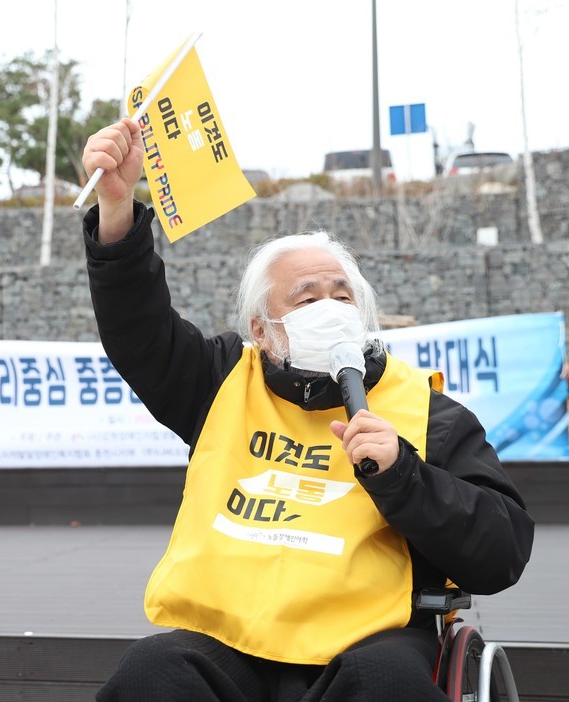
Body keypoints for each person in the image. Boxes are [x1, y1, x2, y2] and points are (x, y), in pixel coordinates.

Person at [81, 118, 534, 702]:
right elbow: (138, 330)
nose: (330, 307)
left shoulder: (427, 411)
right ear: (261, 331)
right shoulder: (219, 382)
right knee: (153, 671)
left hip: (368, 641)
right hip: (229, 639)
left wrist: (406, 477)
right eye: (307, 298)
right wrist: (117, 211)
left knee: (389, 684)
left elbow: (502, 552)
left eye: (342, 295)